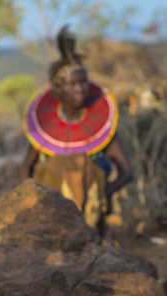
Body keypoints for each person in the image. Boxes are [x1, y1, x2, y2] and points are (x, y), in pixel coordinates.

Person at [20, 25, 133, 234]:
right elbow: (26, 169)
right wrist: (31, 201)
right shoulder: (44, 131)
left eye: (83, 82)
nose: (80, 88)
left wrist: (102, 195)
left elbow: (127, 172)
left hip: (92, 221)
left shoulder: (103, 131)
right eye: (72, 84)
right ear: (57, 90)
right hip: (50, 219)